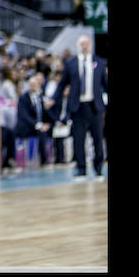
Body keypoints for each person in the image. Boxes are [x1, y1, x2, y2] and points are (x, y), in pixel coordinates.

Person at [51, 34, 107, 180]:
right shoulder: (70, 63)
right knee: (78, 139)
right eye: (81, 43)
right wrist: (53, 99)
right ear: (78, 46)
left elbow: (105, 84)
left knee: (97, 139)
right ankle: (81, 169)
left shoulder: (99, 62)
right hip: (77, 107)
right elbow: (62, 84)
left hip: (95, 106)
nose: (84, 46)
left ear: (90, 45)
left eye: (86, 43)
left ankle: (98, 169)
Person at [15, 75, 52, 167]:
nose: (33, 86)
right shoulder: (23, 98)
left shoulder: (42, 96)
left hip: (41, 125)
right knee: (41, 132)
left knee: (52, 130)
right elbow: (24, 116)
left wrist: (48, 124)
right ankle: (44, 161)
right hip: (28, 126)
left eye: (34, 84)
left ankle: (59, 158)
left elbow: (47, 113)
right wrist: (38, 125)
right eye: (31, 84)